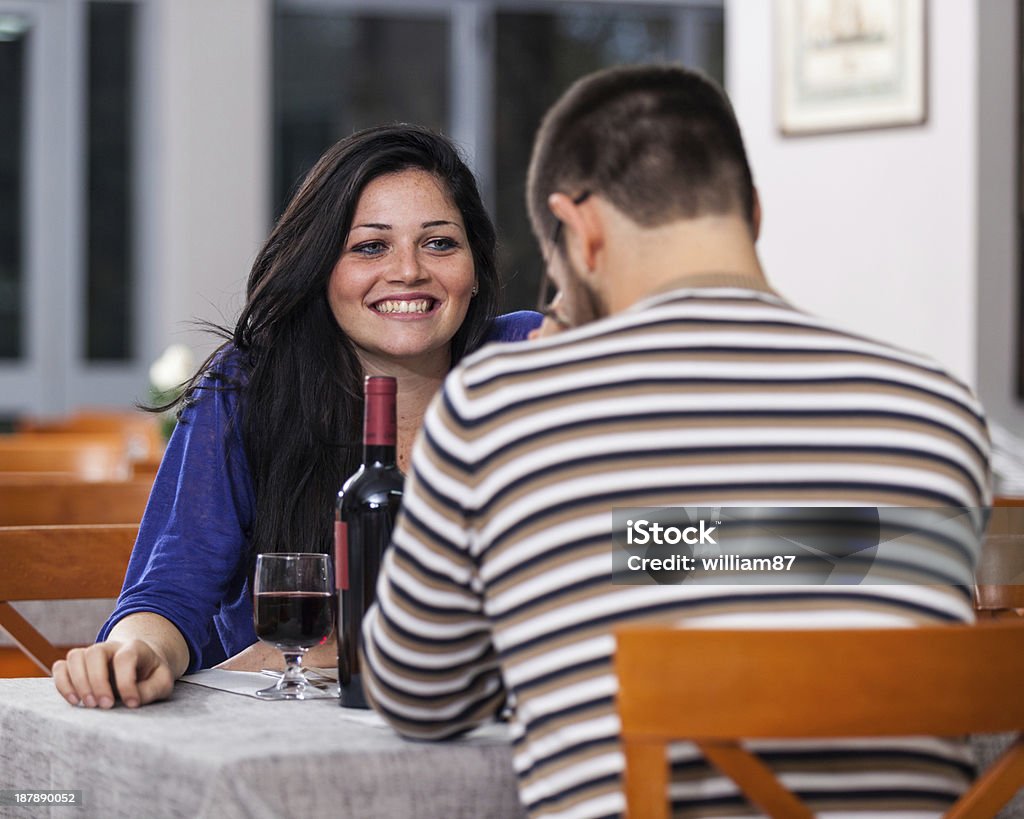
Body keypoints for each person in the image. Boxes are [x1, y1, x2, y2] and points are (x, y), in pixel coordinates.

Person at [360, 66, 992, 817]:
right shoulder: (937, 406)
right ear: (751, 213)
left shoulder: (501, 402)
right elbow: (792, 560)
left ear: (581, 227)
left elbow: (414, 693)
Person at [52, 124, 541, 710]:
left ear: (477, 268)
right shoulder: (250, 387)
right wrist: (136, 652)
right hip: (295, 730)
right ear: (319, 267)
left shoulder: (532, 359)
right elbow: (170, 593)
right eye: (369, 246)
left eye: (439, 243)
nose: (409, 271)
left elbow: (668, 548)